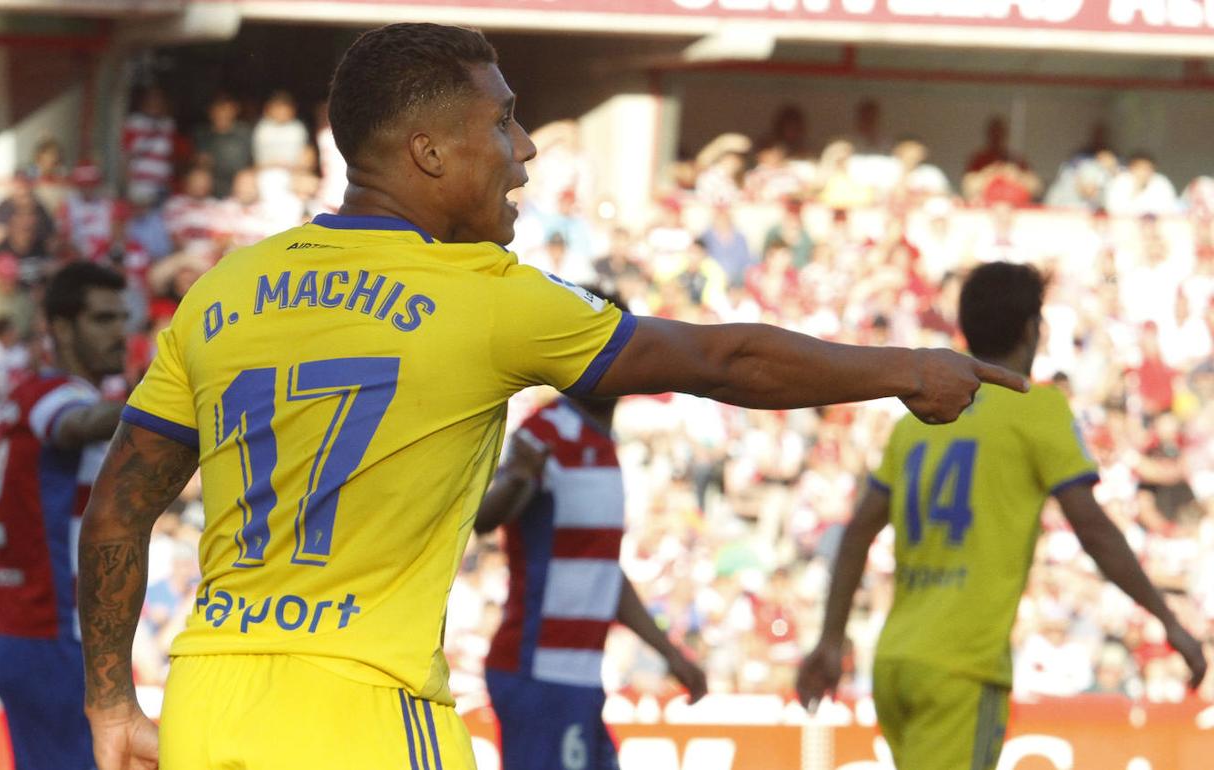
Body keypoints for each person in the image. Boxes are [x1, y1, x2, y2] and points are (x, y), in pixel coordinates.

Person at [77, 23, 1026, 770]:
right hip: (361, 711)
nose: (525, 148)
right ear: (429, 153)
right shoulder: (485, 297)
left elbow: (119, 509)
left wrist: (113, 699)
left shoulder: (225, 290)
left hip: (207, 696)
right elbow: (726, 362)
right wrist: (905, 368)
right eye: (500, 121)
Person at [797, 262, 1207, 770]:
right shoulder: (1038, 409)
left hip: (896, 662)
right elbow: (1095, 532)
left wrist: (831, 639)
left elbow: (858, 530)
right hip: (963, 669)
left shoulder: (919, 420)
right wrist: (1168, 619)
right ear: (1032, 328)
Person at [476, 349, 708, 770]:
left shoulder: (602, 445)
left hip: (577, 678)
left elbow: (603, 572)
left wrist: (670, 654)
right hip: (539, 672)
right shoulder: (546, 431)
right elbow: (485, 518)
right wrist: (518, 481)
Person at [0, 262, 128, 770]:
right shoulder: (50, 395)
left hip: (35, 632)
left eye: (123, 318)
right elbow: (76, 425)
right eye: (103, 319)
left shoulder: (36, 395)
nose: (120, 333)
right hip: (50, 632)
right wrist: (168, 401)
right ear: (62, 328)